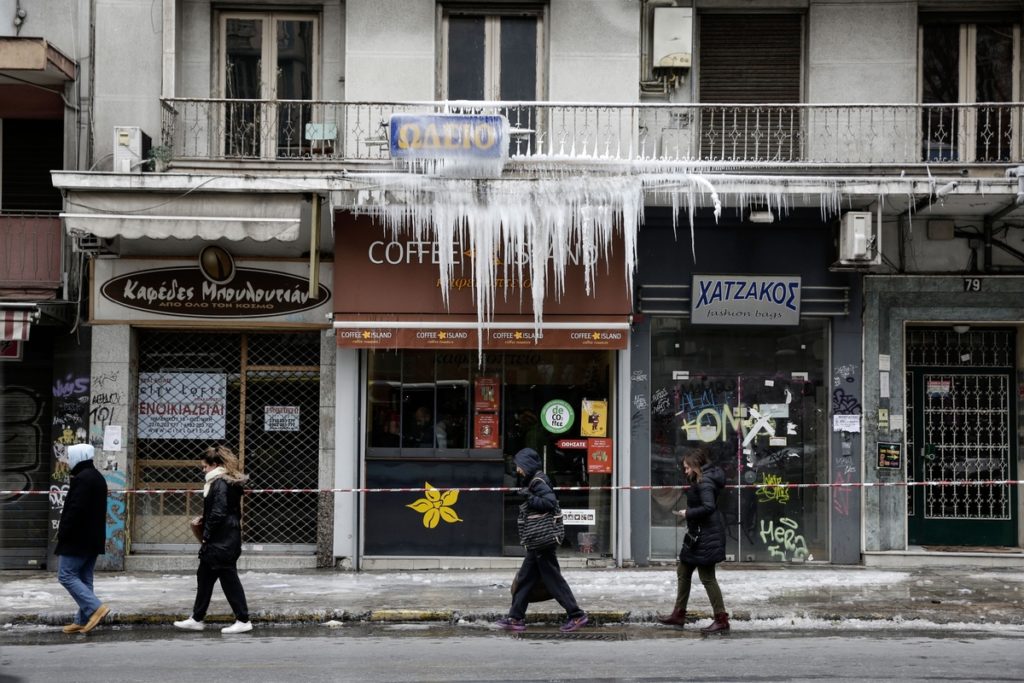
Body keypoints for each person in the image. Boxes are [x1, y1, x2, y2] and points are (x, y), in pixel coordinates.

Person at [497, 447, 589, 633]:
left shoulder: (538, 481)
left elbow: (549, 503)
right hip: (538, 541)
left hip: (542, 539)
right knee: (525, 579)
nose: (518, 470)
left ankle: (576, 615)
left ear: (527, 465)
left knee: (552, 580)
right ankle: (515, 618)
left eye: (519, 466)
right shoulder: (533, 480)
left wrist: (529, 497)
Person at [174, 445, 253, 634]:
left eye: (205, 467)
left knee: (229, 579)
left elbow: (219, 512)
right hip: (224, 539)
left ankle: (243, 619)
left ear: (215, 465)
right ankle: (197, 618)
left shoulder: (219, 484)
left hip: (222, 542)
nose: (203, 470)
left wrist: (206, 534)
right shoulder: (224, 482)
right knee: (204, 577)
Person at [657, 447, 730, 634]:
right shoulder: (701, 478)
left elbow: (708, 507)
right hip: (698, 534)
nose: (685, 471)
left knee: (707, 577)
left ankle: (721, 619)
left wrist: (687, 513)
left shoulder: (705, 482)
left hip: (707, 535)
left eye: (687, 467)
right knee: (683, 569)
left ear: (696, 466)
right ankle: (678, 613)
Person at [56, 443, 110, 634]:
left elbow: (74, 509)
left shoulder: (82, 478)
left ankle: (96, 608)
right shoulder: (96, 477)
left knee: (66, 575)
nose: (69, 460)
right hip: (92, 539)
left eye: (71, 456)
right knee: (84, 579)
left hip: (77, 539)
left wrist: (63, 533)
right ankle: (82, 620)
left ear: (78, 456)